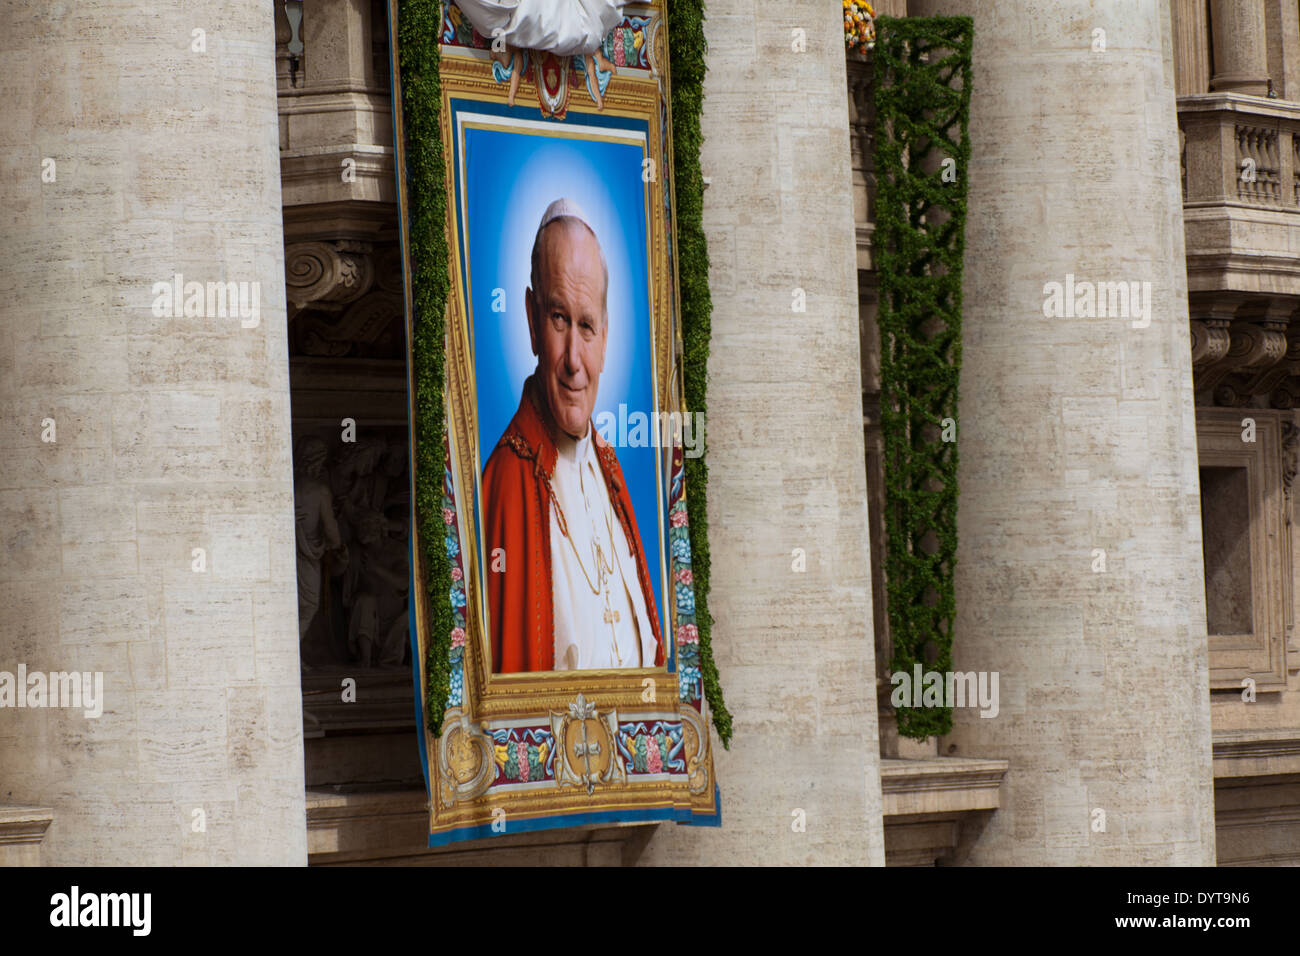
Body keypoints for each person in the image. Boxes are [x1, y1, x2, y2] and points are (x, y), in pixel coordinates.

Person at [482, 198, 662, 672]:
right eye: (559, 319)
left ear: (605, 338)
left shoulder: (610, 471)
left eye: (586, 327)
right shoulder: (506, 481)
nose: (574, 361)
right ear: (531, 319)